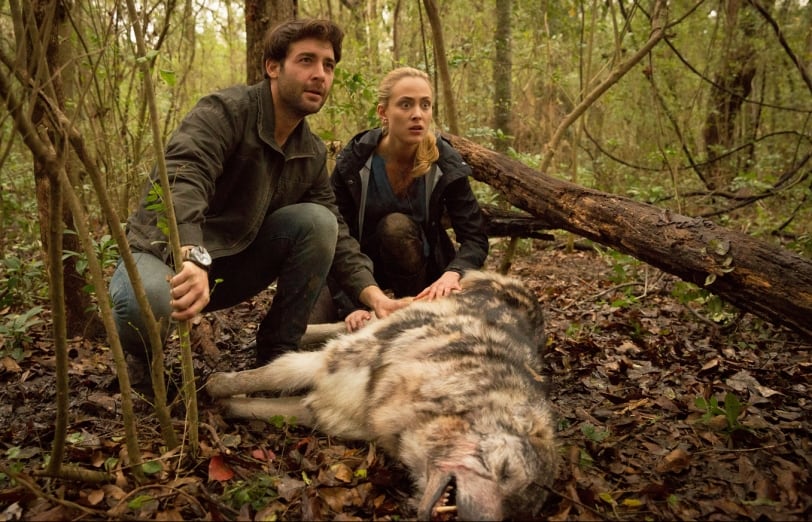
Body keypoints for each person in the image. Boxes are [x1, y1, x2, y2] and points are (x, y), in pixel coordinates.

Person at [109, 18, 405, 391]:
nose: (320, 74)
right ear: (273, 67)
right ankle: (142, 365)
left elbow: (336, 231)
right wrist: (192, 256)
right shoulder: (225, 111)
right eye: (306, 61)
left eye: (328, 65)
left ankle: (277, 354)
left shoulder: (310, 152)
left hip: (228, 268)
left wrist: (374, 296)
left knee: (319, 222)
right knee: (143, 303)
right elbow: (184, 176)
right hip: (165, 254)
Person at [327, 67, 489, 331]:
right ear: (383, 112)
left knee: (396, 227)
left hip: (422, 278)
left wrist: (453, 273)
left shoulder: (444, 161)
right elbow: (335, 237)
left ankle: (413, 317)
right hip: (358, 275)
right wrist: (352, 306)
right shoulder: (355, 161)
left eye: (425, 105)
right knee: (309, 328)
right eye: (405, 105)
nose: (417, 114)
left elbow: (475, 238)